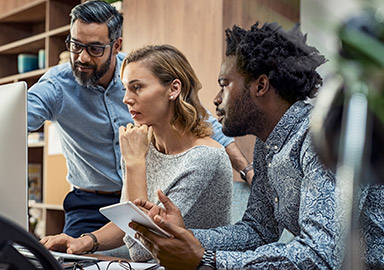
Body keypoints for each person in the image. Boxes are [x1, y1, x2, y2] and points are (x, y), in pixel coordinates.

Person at [129, 22, 345, 269]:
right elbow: (258, 231)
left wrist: (207, 261)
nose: (217, 99)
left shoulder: (322, 137)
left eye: (224, 84)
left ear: (260, 86)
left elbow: (319, 256)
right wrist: (184, 236)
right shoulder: (267, 147)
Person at [27, 0, 251, 238]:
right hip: (89, 202)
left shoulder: (139, 71)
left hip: (145, 195)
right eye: (75, 45)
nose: (82, 57)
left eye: (94, 49)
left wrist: (247, 170)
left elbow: (206, 124)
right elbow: (14, 122)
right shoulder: (56, 86)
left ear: (116, 46)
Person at [40, 44, 233, 262]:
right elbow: (127, 222)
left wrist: (134, 163)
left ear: (173, 89)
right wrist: (85, 241)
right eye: (125, 89)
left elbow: (142, 248)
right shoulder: (142, 145)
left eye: (137, 87)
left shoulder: (204, 157)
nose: (126, 99)